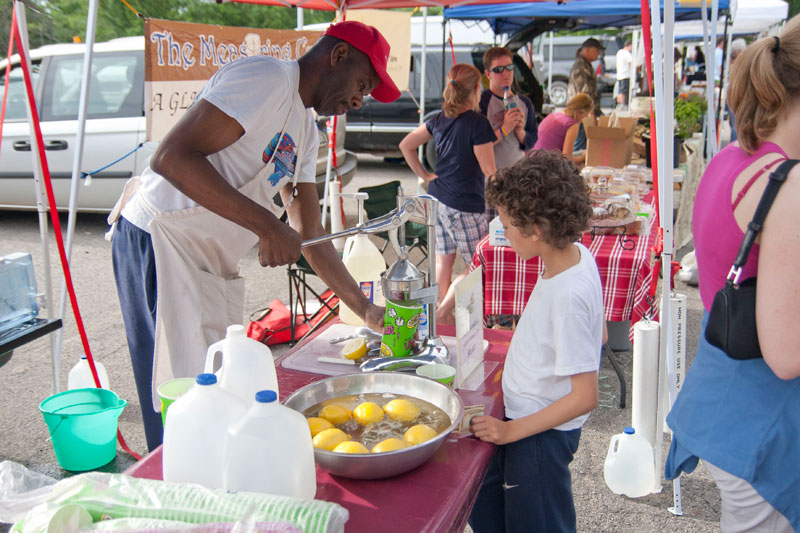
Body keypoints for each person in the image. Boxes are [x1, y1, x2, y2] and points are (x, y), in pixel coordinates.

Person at [108, 21, 400, 451]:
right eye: (361, 83)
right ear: (338, 56)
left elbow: (309, 233)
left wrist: (365, 308)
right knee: (177, 394)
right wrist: (266, 225)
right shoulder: (266, 79)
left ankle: (211, 487)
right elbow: (172, 158)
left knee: (216, 388)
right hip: (158, 239)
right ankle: (175, 501)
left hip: (204, 259)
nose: (358, 99)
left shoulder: (305, 130)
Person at [665, 18, 800, 532]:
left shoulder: (728, 158)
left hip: (726, 404)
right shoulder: (786, 181)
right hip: (763, 426)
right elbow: (787, 355)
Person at [467, 152, 603, 532]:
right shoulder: (578, 256)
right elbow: (600, 333)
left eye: (508, 224)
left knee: (538, 523)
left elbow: (584, 396)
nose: (501, 230)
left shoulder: (568, 296)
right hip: (527, 419)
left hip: (539, 434)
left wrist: (511, 432)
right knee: (492, 510)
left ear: (536, 231)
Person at [399, 63, 496, 304]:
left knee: (444, 261)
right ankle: (444, 309)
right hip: (464, 205)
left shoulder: (438, 120)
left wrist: (425, 175)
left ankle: (439, 320)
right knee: (478, 266)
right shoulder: (478, 123)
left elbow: (406, 145)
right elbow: (490, 172)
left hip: (437, 200)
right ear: (476, 89)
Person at [479, 47, 538, 175]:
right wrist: (505, 129)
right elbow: (478, 145)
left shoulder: (525, 103)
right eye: (499, 70)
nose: (506, 73)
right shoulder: (481, 103)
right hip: (491, 177)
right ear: (488, 74)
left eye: (509, 68)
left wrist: (520, 132)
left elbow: (533, 139)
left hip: (518, 174)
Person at [533, 93, 593, 166]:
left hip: (534, 160)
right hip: (547, 166)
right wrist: (584, 157)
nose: (584, 119)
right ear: (579, 112)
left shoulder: (553, 115)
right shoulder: (572, 124)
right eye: (585, 115)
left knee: (580, 153)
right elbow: (566, 160)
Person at [568, 38, 604, 152]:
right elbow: (581, 94)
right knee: (579, 148)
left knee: (582, 147)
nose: (599, 53)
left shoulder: (585, 64)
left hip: (583, 113)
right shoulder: (581, 65)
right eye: (597, 50)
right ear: (587, 50)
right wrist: (590, 114)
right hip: (581, 114)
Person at [727, 38, 747, 142]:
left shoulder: (736, 62)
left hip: (737, 95)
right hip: (736, 95)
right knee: (735, 126)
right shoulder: (738, 62)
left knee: (736, 126)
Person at [615, 39, 633, 107]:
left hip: (619, 74)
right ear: (630, 45)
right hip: (626, 75)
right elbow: (632, 64)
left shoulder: (619, 52)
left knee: (620, 91)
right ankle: (623, 104)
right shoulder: (627, 53)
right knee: (624, 91)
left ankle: (619, 104)